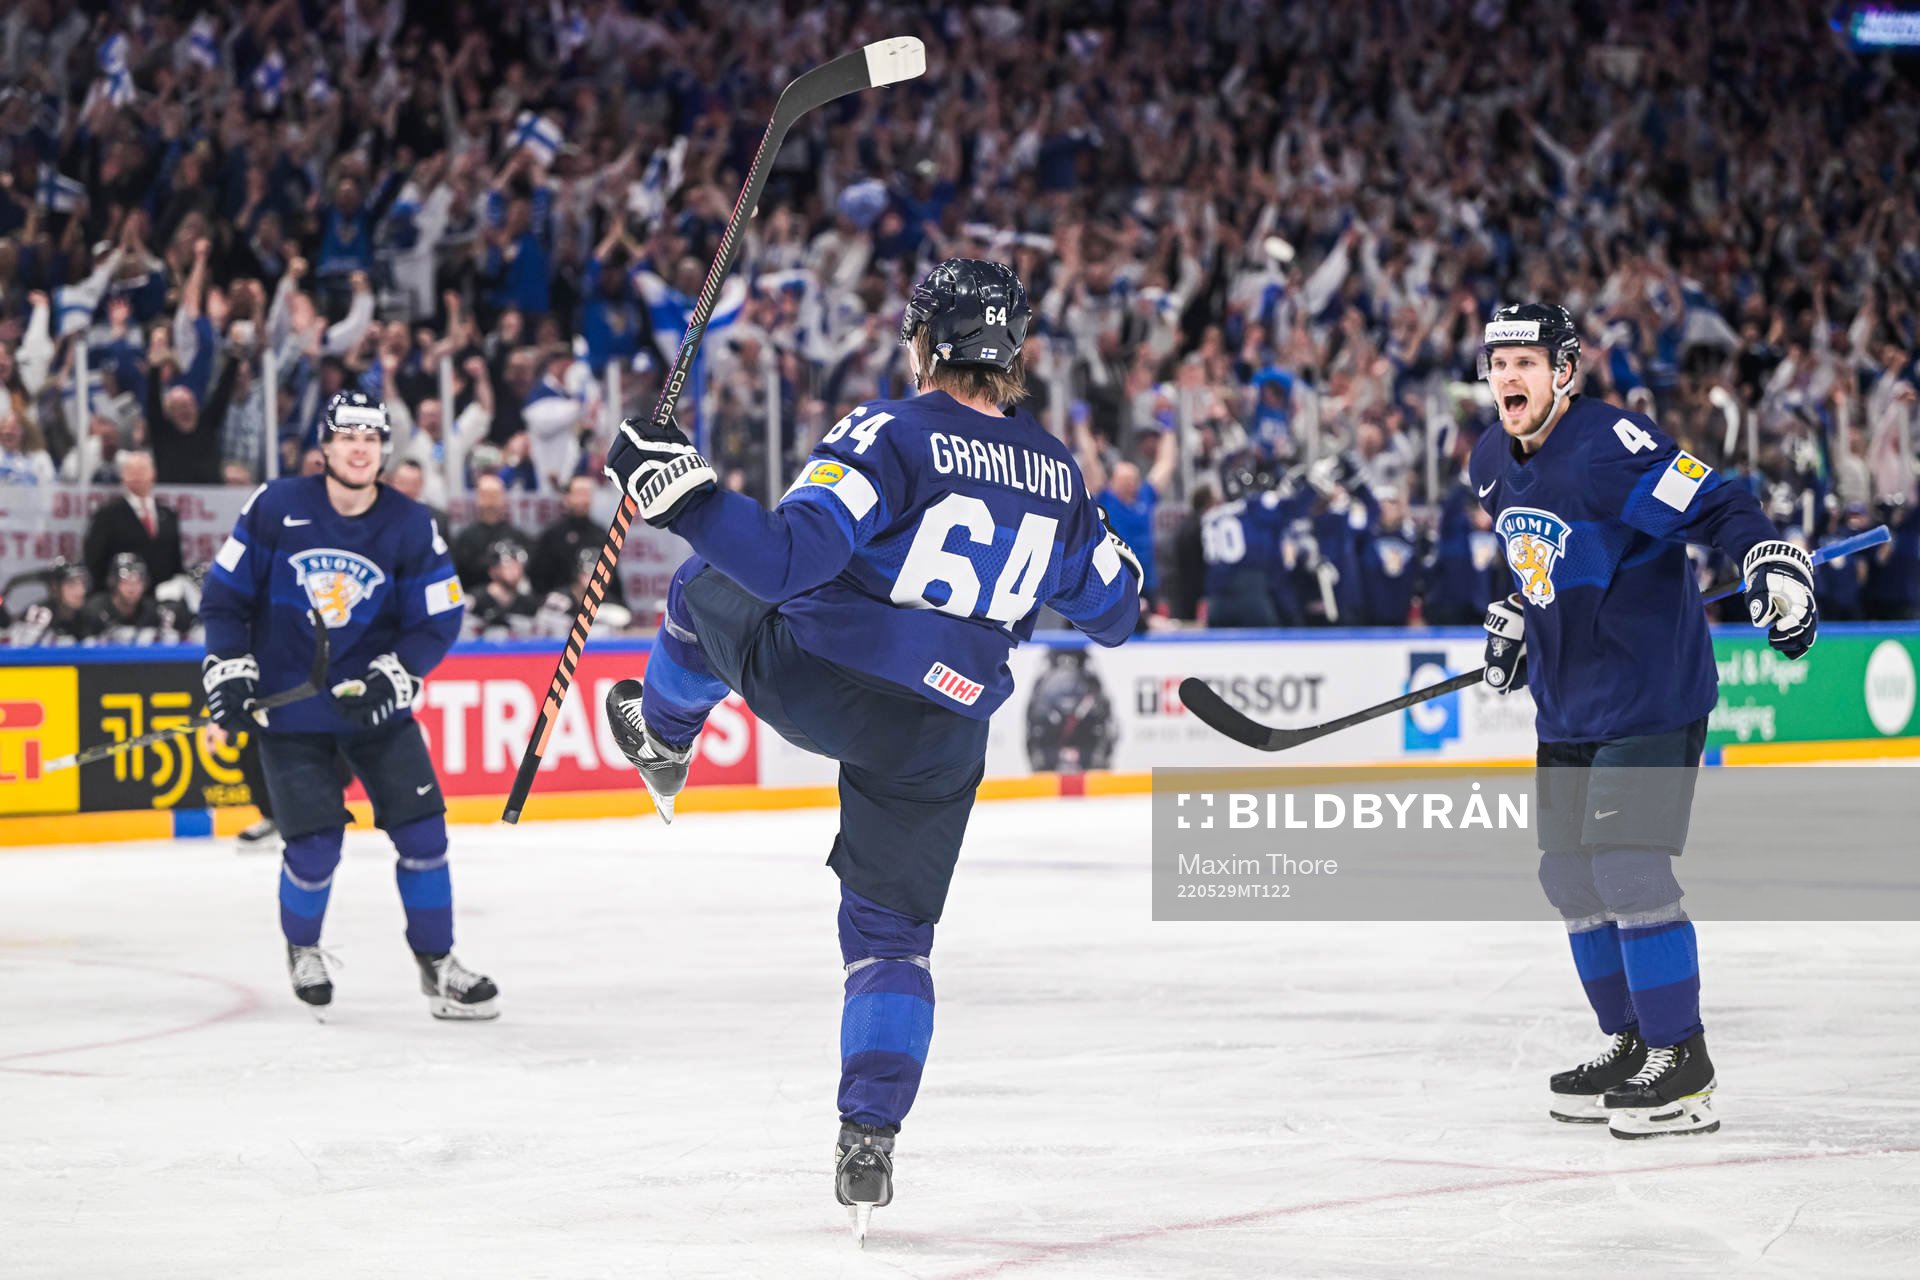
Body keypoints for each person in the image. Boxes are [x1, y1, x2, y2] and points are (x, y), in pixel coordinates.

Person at [600, 258, 1141, 1237]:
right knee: (891, 942)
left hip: (828, 677)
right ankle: (870, 1130)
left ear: (923, 341)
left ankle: (666, 732)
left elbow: (784, 556)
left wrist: (681, 494)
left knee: (701, 591)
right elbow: (1116, 612)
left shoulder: (889, 430)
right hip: (942, 728)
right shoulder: (1059, 470)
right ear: (1012, 354)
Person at [1469, 304, 1815, 1139]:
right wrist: (1522, 614)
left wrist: (1770, 558)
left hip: (1650, 694)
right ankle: (1631, 1046)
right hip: (1570, 706)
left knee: (1627, 870)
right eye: (1498, 362)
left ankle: (1683, 1062)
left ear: (1565, 372)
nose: (1509, 377)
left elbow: (1720, 499)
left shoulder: (1607, 447)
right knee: (1571, 880)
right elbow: (1553, 560)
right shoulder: (1489, 461)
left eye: (1527, 361)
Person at [199, 389, 498, 1021]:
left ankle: (437, 964)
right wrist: (228, 664)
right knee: (314, 847)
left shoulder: (411, 523)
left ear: (383, 449)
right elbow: (225, 596)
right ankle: (303, 948)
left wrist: (402, 670)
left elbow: (440, 616)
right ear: (325, 446)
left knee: (424, 836)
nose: (360, 448)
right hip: (289, 714)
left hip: (374, 711)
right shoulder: (276, 506)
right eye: (348, 436)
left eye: (372, 437)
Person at [83, 450, 185, 592]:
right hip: (123, 597)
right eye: (132, 470)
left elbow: (175, 560)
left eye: (142, 469)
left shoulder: (168, 515)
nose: (138, 475)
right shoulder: (108, 514)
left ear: (153, 474)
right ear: (123, 475)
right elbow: (95, 560)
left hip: (163, 595)